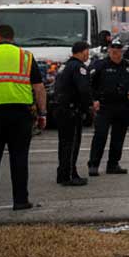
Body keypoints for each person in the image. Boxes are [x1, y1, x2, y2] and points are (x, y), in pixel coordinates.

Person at [0, 25, 47, 210]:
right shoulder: (26, 56)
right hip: (21, 114)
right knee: (19, 158)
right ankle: (21, 200)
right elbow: (39, 88)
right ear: (12, 37)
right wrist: (42, 113)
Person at [87, 40, 129, 176]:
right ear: (109, 51)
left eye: (118, 51)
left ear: (122, 52)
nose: (116, 54)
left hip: (123, 105)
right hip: (105, 106)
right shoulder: (100, 65)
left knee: (118, 137)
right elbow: (88, 84)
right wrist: (93, 100)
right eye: (113, 51)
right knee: (100, 136)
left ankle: (113, 164)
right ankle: (93, 164)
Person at [53, 41, 94, 186]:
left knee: (64, 144)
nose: (88, 54)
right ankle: (68, 175)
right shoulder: (79, 67)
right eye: (87, 51)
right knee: (71, 144)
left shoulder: (65, 66)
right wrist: (89, 106)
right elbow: (84, 89)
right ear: (82, 52)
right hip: (71, 110)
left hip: (60, 108)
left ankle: (64, 172)